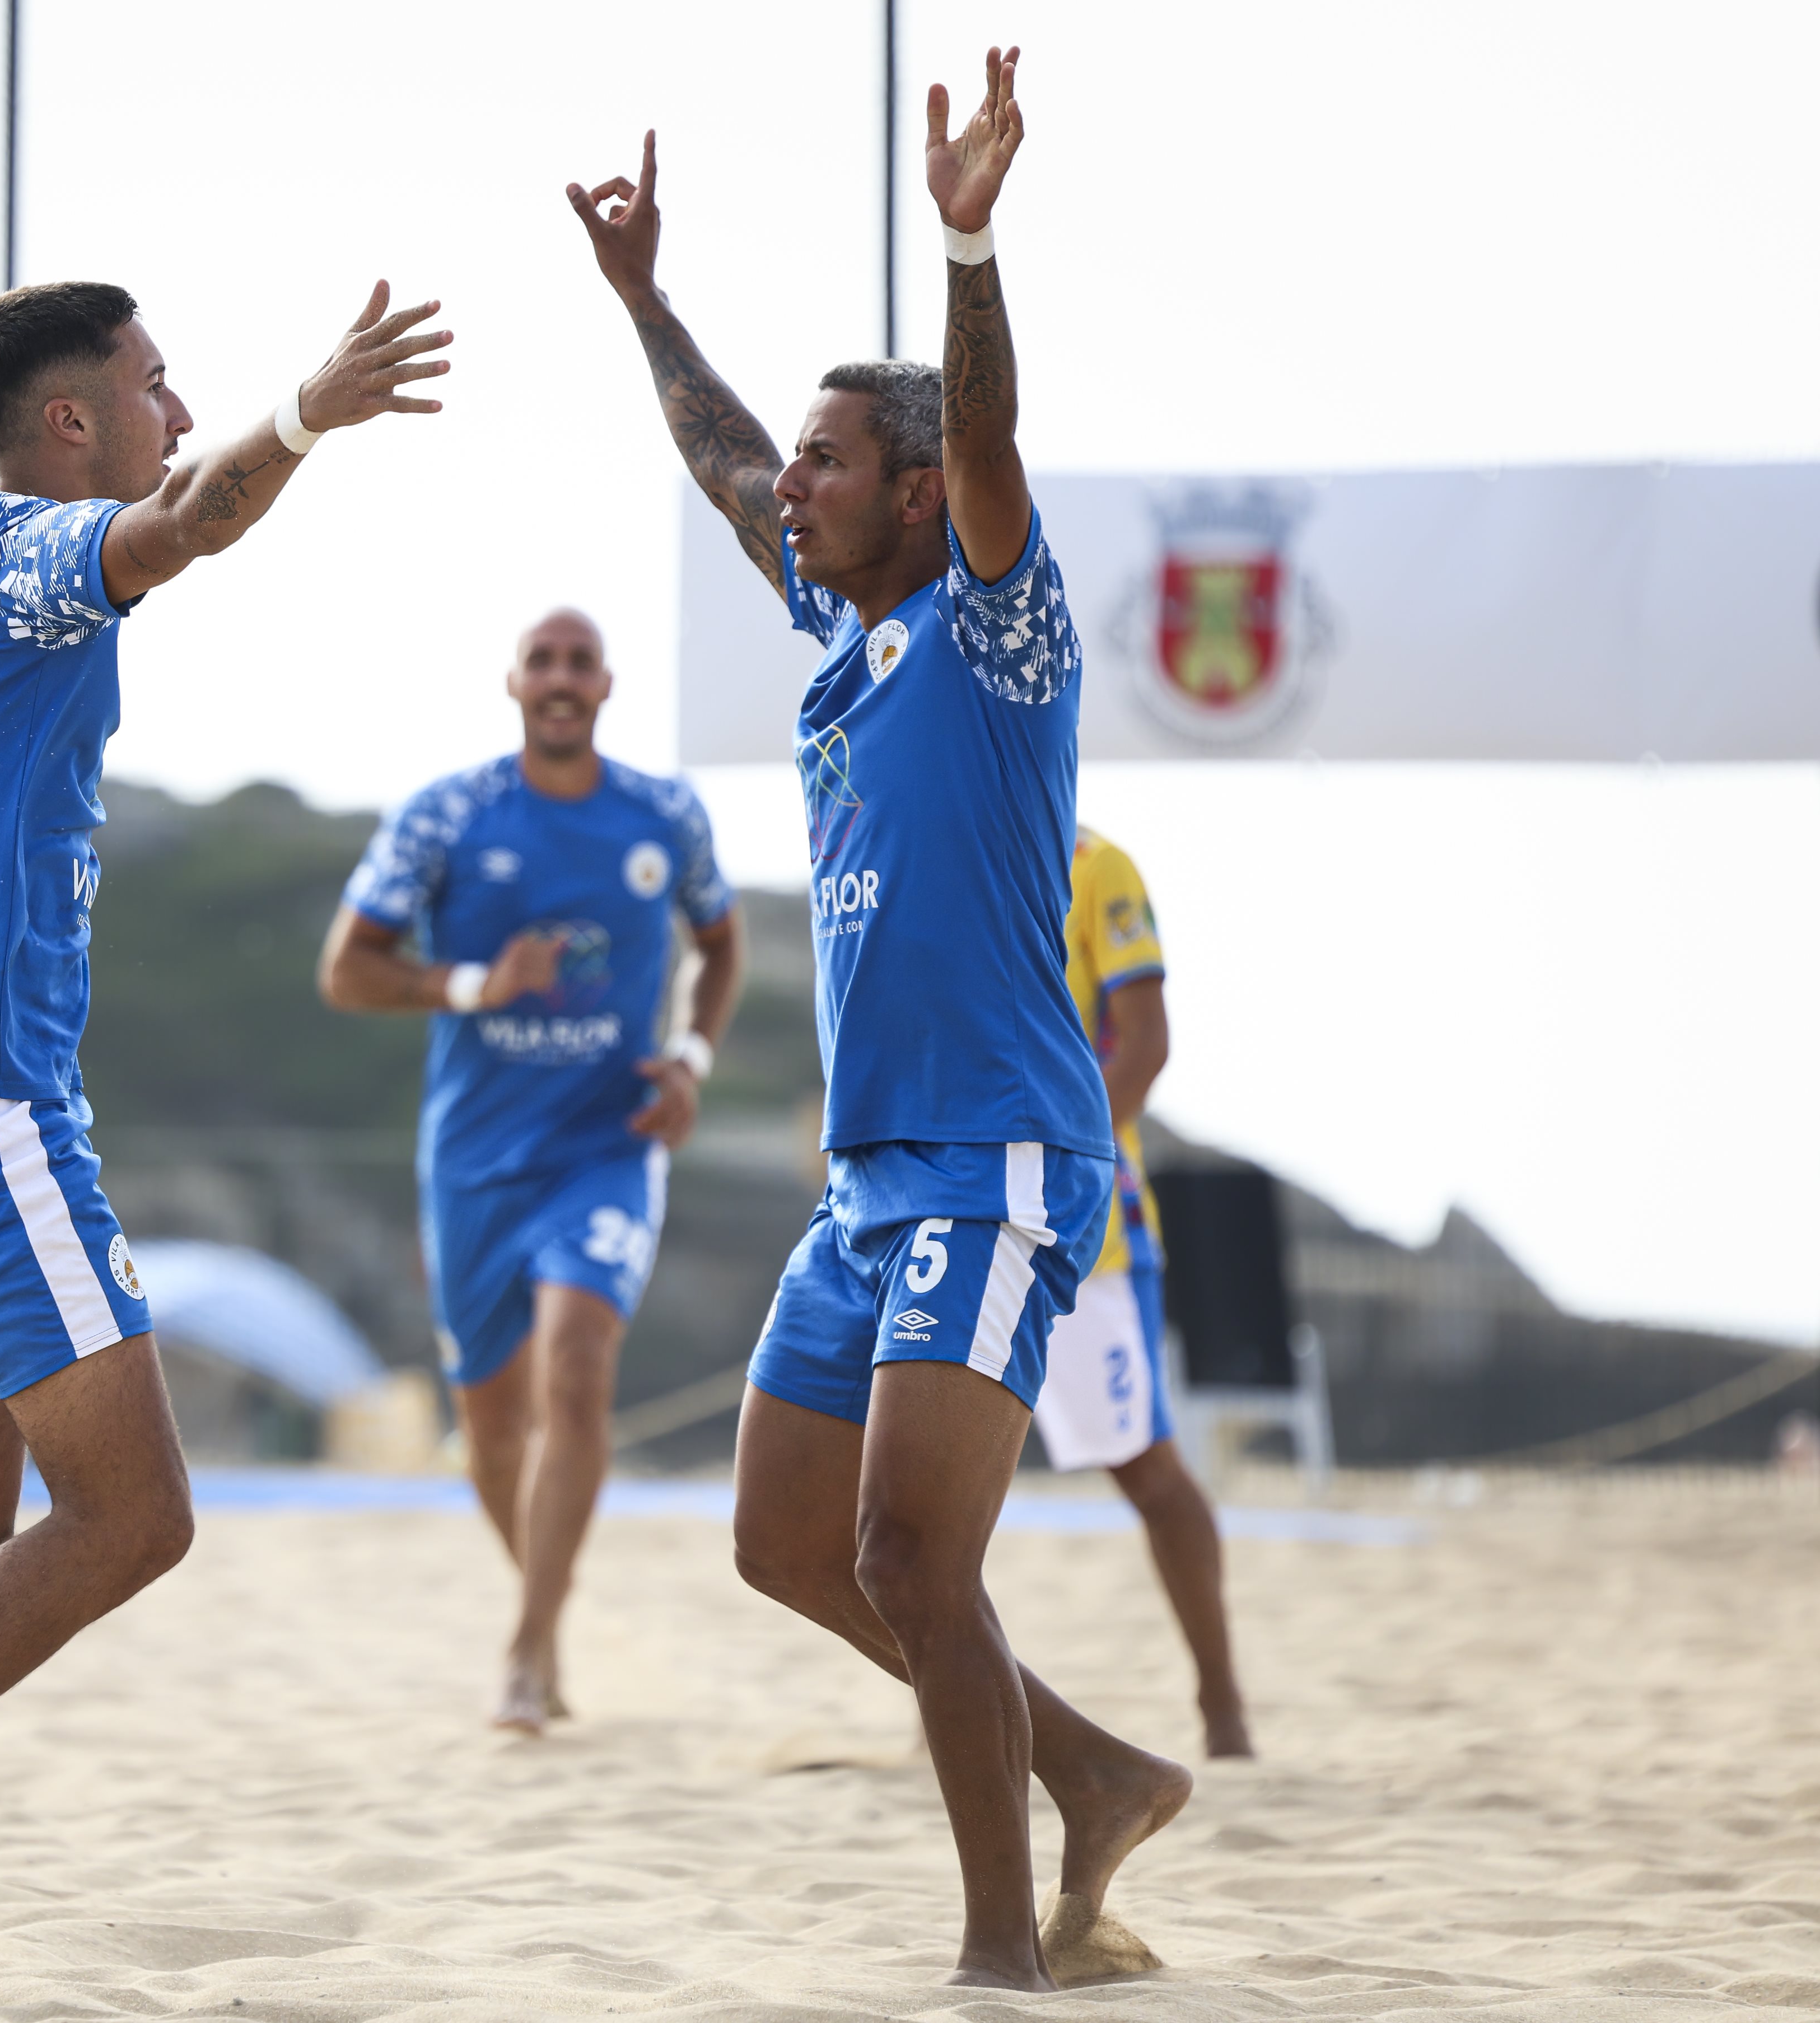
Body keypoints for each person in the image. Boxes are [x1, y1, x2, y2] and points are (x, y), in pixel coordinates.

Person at [0, 277, 450, 1998]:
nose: (177, 409)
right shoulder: (23, 561)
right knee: (135, 1514)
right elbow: (192, 520)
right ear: (68, 429)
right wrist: (308, 412)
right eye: (150, 383)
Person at [568, 51, 1190, 1989]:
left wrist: (969, 237)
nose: (796, 494)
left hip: (1004, 1161)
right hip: (872, 1180)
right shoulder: (844, 631)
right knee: (787, 1544)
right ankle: (1089, 1769)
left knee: (919, 1564)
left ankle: (1011, 1948)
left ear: (926, 492)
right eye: (809, 471)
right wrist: (647, 301)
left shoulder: (998, 624)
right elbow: (728, 459)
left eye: (840, 469)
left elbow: (988, 427)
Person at [318, 606, 744, 1735]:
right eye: (541, 661)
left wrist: (691, 1060)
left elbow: (723, 941)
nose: (560, 678)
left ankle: (522, 1648)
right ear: (513, 682)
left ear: (606, 684)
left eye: (580, 662)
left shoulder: (663, 815)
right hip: (472, 1162)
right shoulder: (447, 815)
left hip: (607, 1146)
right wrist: (469, 986)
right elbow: (347, 973)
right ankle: (545, 1617)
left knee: (577, 1362)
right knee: (495, 1429)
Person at [1037, 827, 1252, 1758]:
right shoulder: (935, 841)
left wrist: (1061, 1161)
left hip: (1090, 1229)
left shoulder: (1096, 864)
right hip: (947, 1209)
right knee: (924, 1473)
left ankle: (1222, 1704)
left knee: (1147, 1469)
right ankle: (953, 1709)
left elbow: (1147, 1044)